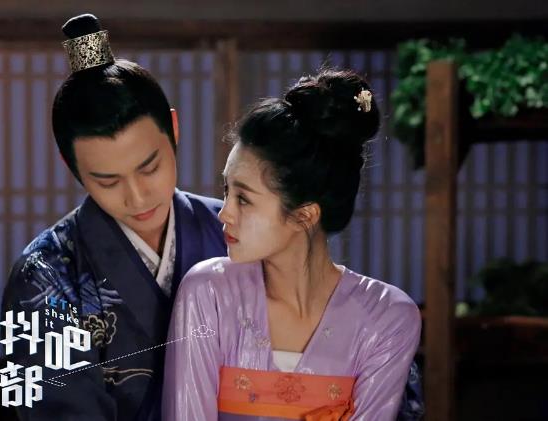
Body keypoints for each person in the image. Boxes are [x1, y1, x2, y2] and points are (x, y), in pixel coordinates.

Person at [163, 68, 422, 420]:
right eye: (226, 190)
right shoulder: (208, 293)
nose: (224, 213)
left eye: (244, 199)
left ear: (304, 216)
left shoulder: (386, 317)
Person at [2, 14, 226, 421]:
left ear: (174, 128)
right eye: (107, 181)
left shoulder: (233, 230)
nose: (137, 197)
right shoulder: (45, 273)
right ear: (70, 165)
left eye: (150, 167)